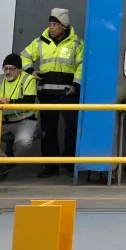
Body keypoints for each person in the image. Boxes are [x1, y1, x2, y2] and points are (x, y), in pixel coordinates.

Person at [21, 9, 83, 178]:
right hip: (47, 93)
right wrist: (31, 70)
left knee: (71, 128)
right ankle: (50, 166)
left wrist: (76, 85)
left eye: (55, 24)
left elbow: (82, 65)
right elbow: (23, 57)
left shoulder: (76, 43)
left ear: (64, 26)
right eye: (50, 24)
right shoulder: (39, 42)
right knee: (48, 130)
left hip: (69, 94)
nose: (51, 28)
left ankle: (70, 164)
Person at [0, 54, 40, 162]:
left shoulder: (28, 79)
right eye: (5, 68)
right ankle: (5, 162)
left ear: (19, 69)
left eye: (12, 69)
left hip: (24, 119)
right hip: (1, 120)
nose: (8, 72)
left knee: (24, 143)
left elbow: (29, 101)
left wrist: (11, 101)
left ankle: (12, 160)